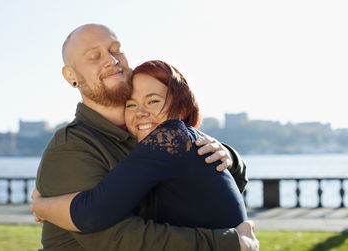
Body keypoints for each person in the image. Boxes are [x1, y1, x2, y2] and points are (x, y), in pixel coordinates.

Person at [33, 23, 258, 251]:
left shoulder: (156, 135)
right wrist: (228, 242)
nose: (111, 60)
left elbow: (215, 190)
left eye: (116, 49)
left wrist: (227, 155)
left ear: (180, 109)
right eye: (94, 55)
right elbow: (118, 240)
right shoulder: (70, 148)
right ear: (70, 75)